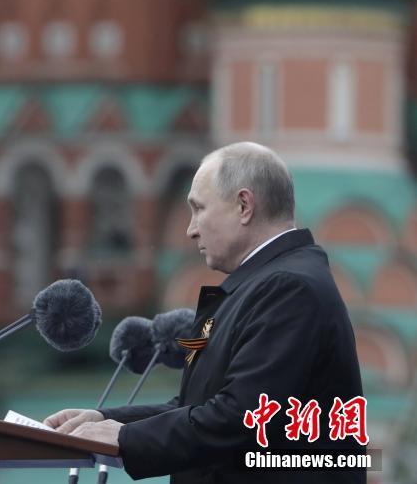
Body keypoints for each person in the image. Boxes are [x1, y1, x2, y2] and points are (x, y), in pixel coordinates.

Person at [45, 142, 365, 483]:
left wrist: (123, 438)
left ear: (244, 205)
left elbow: (241, 416)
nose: (191, 229)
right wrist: (104, 421)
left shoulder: (289, 288)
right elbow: (197, 406)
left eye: (199, 209)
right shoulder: (256, 286)